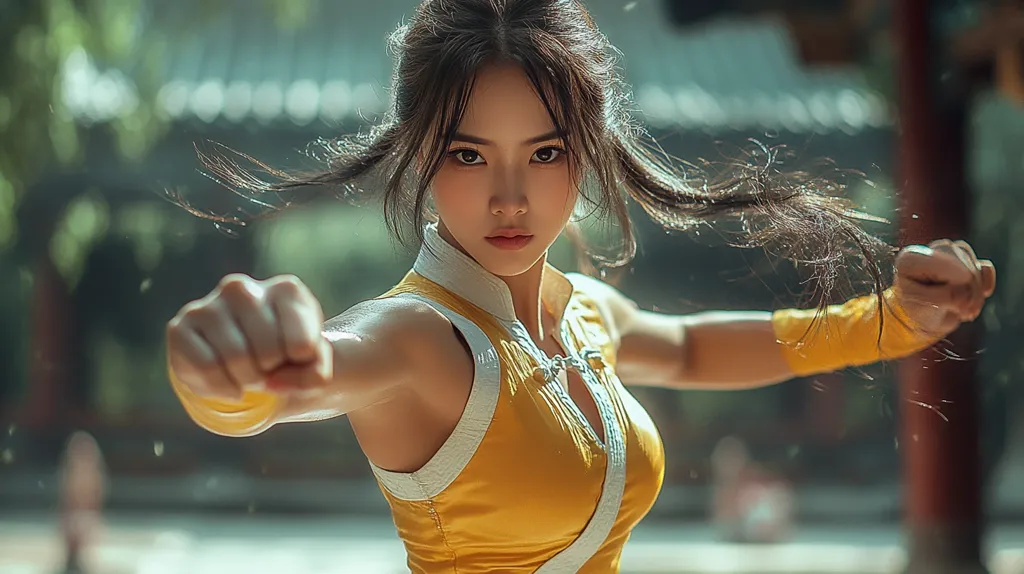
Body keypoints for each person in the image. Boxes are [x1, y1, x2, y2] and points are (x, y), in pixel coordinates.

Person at [164, 1, 997, 571]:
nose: (510, 196)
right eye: (468, 154)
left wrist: (892, 320)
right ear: (421, 154)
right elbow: (307, 379)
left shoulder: (582, 314)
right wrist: (225, 376)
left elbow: (697, 345)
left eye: (546, 152)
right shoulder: (418, 337)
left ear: (586, 154)